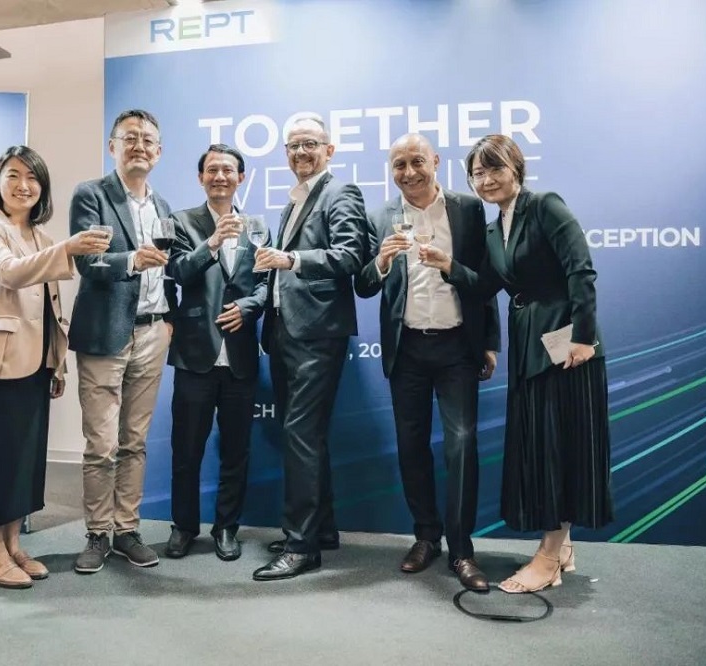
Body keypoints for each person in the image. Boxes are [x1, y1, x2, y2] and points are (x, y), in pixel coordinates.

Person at [428, 133, 613, 593]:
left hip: (569, 349)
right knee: (545, 449)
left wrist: (584, 337)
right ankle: (562, 547)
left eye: (495, 169)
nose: (486, 180)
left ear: (517, 169)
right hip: (530, 347)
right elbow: (484, 285)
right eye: (477, 173)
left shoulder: (545, 205)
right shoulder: (496, 228)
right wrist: (447, 264)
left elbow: (581, 270)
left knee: (561, 451)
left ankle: (548, 558)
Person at [0, 145, 111, 589]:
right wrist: (69, 247)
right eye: (14, 176)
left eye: (33, 178)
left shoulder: (41, 236)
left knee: (22, 462)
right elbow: (10, 273)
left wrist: (56, 364)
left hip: (36, 364)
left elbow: (49, 309)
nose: (24, 185)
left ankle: (13, 545)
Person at [354, 133, 500, 591]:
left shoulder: (468, 208)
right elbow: (362, 285)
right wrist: (380, 262)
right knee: (411, 446)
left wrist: (490, 342)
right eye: (399, 165)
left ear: (435, 161)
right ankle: (425, 536)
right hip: (408, 349)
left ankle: (462, 550)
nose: (409, 172)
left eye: (417, 161)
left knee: (461, 446)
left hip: (457, 346)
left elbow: (484, 279)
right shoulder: (380, 216)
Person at [251, 116, 368, 581]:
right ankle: (321, 530)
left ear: (329, 150)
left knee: (300, 434)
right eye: (293, 145)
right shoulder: (295, 200)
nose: (300, 152)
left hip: (317, 333)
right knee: (305, 436)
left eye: (309, 144)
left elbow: (350, 256)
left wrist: (291, 258)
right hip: (285, 331)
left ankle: (301, 546)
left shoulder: (341, 193)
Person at [68, 109, 178, 574]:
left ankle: (127, 528)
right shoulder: (91, 194)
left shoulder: (163, 206)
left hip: (153, 332)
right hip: (105, 332)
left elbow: (172, 267)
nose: (139, 146)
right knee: (101, 443)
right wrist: (132, 260)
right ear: (112, 146)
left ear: (159, 152)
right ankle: (97, 532)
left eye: (148, 140)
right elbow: (86, 262)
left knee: (135, 440)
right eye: (129, 138)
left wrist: (169, 319)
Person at [165, 144, 268, 560]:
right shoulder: (181, 222)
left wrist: (249, 306)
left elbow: (267, 283)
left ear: (240, 178)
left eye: (228, 170)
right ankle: (183, 526)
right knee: (186, 450)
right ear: (201, 177)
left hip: (240, 358)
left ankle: (227, 528)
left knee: (236, 451)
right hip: (195, 355)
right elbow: (176, 270)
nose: (220, 176)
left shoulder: (257, 226)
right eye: (212, 170)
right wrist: (211, 243)